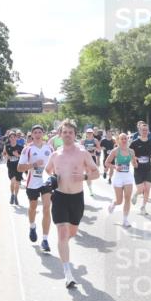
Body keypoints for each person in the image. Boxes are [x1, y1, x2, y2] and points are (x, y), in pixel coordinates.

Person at [45, 119, 100, 288]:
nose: (67, 135)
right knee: (62, 233)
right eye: (65, 132)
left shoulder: (82, 153)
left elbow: (96, 173)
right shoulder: (55, 155)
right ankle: (68, 273)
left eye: (70, 132)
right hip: (60, 198)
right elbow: (47, 171)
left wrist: (84, 177)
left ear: (75, 135)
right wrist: (52, 179)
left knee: (72, 233)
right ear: (60, 135)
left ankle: (63, 247)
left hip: (77, 198)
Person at [17, 124, 54, 252]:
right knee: (33, 207)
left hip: (46, 182)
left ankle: (45, 239)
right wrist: (33, 164)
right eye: (35, 132)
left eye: (40, 132)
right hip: (32, 183)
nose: (38, 134)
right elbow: (19, 168)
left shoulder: (49, 148)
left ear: (43, 134)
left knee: (46, 208)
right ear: (32, 135)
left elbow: (56, 164)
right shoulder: (27, 150)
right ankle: (32, 226)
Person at [104, 132, 138, 227]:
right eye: (122, 139)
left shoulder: (131, 151)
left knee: (127, 198)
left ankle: (125, 220)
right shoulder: (115, 151)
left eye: (125, 138)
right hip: (118, 177)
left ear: (128, 140)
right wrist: (115, 167)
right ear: (118, 140)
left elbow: (135, 164)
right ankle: (113, 204)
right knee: (119, 201)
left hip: (128, 176)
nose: (124, 140)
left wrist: (135, 163)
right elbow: (106, 163)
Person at [130, 120, 151, 215]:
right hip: (138, 169)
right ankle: (135, 195)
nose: (145, 132)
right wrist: (133, 160)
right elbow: (129, 153)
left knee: (147, 189)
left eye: (146, 130)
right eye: (143, 130)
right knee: (141, 189)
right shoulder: (134, 143)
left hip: (148, 169)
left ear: (148, 131)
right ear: (139, 131)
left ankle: (143, 207)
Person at [5, 131, 24, 205]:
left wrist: (17, 155)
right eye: (11, 137)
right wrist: (7, 156)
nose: (12, 139)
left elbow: (23, 157)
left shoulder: (20, 147)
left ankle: (16, 196)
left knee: (17, 183)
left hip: (19, 166)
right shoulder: (7, 146)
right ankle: (12, 194)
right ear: (9, 138)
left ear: (16, 138)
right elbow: (4, 154)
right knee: (13, 181)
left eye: (14, 137)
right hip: (10, 166)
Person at [81, 127, 102, 196]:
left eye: (90, 133)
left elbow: (99, 150)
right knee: (87, 173)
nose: (89, 134)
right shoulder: (83, 141)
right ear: (86, 134)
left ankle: (90, 186)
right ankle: (90, 189)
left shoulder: (95, 141)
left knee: (91, 173)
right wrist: (85, 151)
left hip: (92, 158)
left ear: (93, 133)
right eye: (88, 133)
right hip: (85, 159)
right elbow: (79, 151)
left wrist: (95, 148)